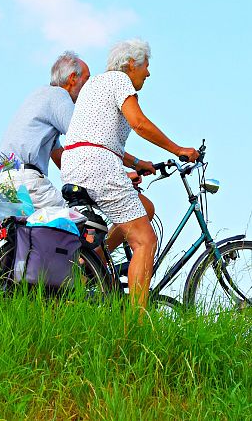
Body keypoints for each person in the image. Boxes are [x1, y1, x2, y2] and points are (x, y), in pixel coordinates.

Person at [61, 39, 199, 308]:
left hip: (77, 164)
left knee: (144, 208)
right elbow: (139, 123)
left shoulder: (95, 85)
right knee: (145, 240)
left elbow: (96, 137)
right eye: (146, 66)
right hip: (98, 166)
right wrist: (178, 149)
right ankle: (136, 324)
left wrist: (136, 163)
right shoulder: (119, 80)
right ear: (132, 64)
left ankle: (95, 263)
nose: (148, 73)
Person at [0, 51, 90, 209]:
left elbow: (59, 156)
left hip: (4, 181)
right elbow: (86, 138)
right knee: (75, 223)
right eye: (87, 79)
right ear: (73, 77)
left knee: (30, 232)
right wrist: (116, 175)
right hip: (26, 181)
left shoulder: (40, 95)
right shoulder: (59, 96)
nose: (89, 87)